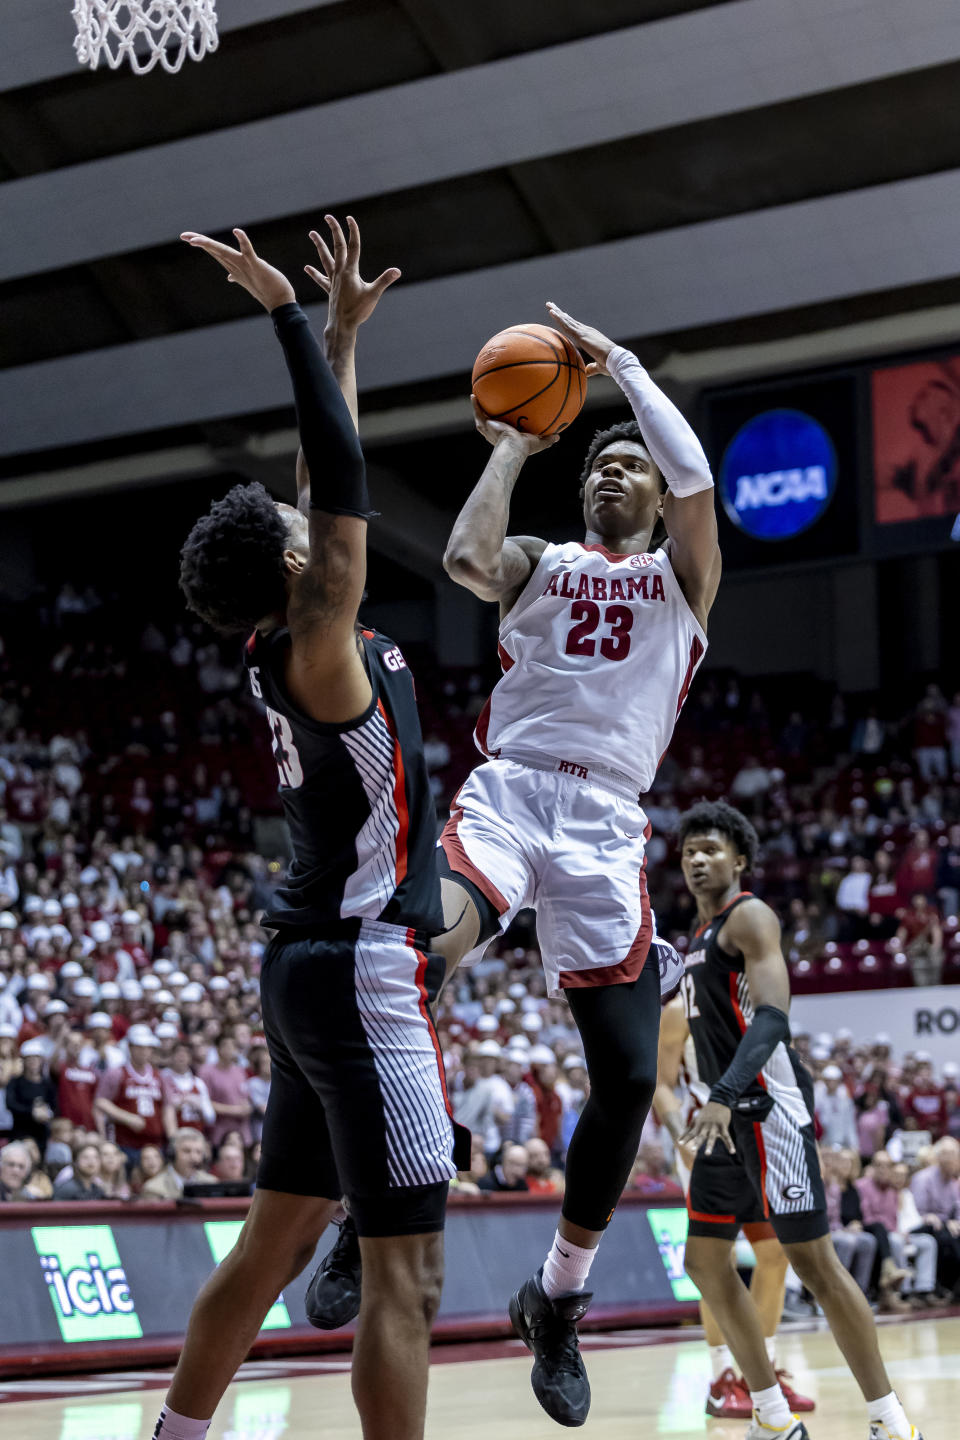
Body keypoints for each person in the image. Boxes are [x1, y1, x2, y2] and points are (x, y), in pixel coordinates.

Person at [310, 299, 716, 1429]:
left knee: (631, 1077)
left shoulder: (684, 580)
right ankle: (377, 1193)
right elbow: (464, 557)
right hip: (511, 794)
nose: (612, 477)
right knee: (406, 951)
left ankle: (559, 1297)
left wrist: (626, 372)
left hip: (606, 829)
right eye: (597, 466)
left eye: (627, 466)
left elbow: (696, 489)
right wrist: (510, 448)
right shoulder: (543, 559)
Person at [154, 218, 461, 1440]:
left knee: (276, 1239)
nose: (314, 527)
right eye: (305, 543)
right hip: (362, 972)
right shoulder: (325, 644)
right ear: (298, 574)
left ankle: (177, 1434)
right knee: (409, 1280)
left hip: (303, 969)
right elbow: (334, 492)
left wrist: (338, 338)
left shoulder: (296, 639)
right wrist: (287, 317)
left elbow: (314, 487)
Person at [675, 800, 923, 1440]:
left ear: (741, 859)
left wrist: (725, 1094)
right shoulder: (695, 941)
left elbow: (773, 1018)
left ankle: (890, 1421)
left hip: (761, 1111)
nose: (698, 860)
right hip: (720, 1120)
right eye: (688, 852)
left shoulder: (749, 917)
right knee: (704, 1262)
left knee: (814, 1263)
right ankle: (773, 1417)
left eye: (710, 849)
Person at [655, 994, 814, 1422]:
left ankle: (760, 1373)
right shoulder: (678, 1011)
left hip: (759, 1134)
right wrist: (679, 1135)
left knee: (775, 1253)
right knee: (716, 1257)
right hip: (705, 1139)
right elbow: (660, 1083)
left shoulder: (763, 1003)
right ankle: (722, 1375)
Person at [910, 1135, 960, 1298]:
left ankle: (953, 1286)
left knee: (952, 1235)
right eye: (948, 1154)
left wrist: (956, 1222)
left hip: (945, 1226)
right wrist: (946, 1222)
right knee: (945, 1237)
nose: (952, 1159)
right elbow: (918, 1212)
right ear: (939, 1157)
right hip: (924, 1225)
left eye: (955, 1154)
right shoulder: (923, 1178)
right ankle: (939, 1286)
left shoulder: (955, 1182)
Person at [141, 1127, 216, 1200]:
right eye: (187, 1151)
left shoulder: (212, 1183)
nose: (193, 1157)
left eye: (198, 1152)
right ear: (173, 1154)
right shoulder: (153, 1188)